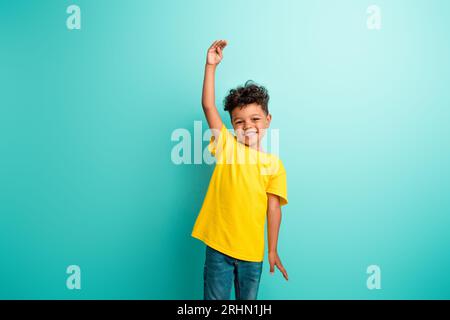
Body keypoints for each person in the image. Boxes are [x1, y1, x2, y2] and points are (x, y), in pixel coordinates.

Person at [191, 40, 289, 300]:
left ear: (267, 120)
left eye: (255, 119)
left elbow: (273, 208)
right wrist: (210, 66)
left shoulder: (274, 166)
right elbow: (209, 107)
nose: (248, 126)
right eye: (239, 121)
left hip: (251, 255)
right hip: (219, 249)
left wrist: (272, 250)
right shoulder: (226, 145)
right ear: (233, 126)